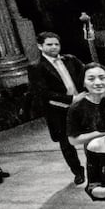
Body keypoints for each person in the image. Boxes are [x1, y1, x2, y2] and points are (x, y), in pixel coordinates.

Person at [29, 31, 86, 183]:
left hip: (81, 105)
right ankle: (78, 171)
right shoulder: (36, 67)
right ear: (40, 46)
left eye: (56, 44)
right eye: (49, 44)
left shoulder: (71, 59)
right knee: (66, 143)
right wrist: (71, 98)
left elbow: (86, 74)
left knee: (90, 136)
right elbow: (43, 92)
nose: (54, 47)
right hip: (58, 110)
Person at [67, 63, 105, 148]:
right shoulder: (77, 107)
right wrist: (101, 133)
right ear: (83, 83)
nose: (98, 82)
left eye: (102, 78)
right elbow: (73, 140)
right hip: (96, 153)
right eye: (91, 79)